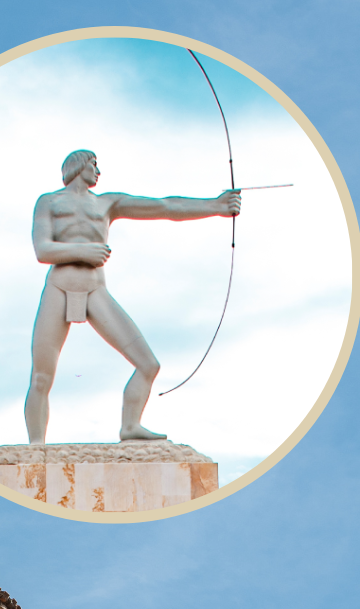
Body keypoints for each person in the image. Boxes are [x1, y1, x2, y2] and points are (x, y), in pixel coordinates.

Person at [26, 149, 240, 444]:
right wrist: (83, 251)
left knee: (148, 364)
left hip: (94, 289)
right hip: (59, 286)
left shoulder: (107, 203)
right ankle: (36, 447)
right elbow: (43, 250)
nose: (98, 172)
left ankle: (130, 426)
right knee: (41, 377)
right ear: (78, 166)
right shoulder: (48, 202)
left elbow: (164, 207)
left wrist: (215, 206)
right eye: (93, 165)